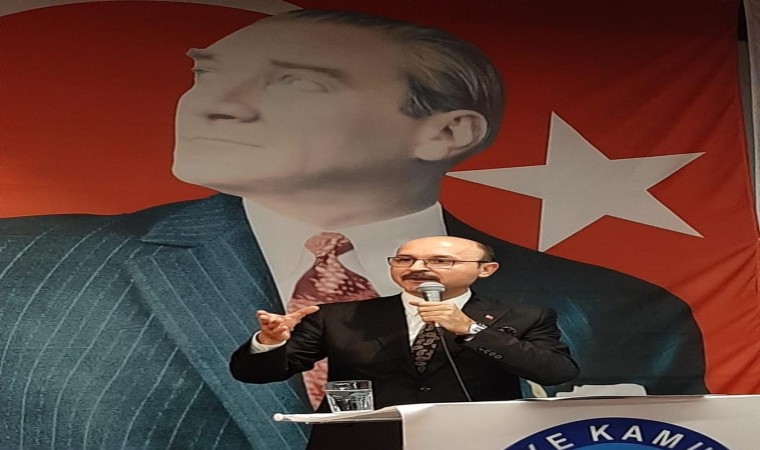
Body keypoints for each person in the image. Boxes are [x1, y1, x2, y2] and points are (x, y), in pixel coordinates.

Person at [0, 8, 706, 450]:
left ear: (446, 131)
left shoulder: (616, 310)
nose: (215, 105)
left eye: (295, 81)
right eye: (205, 74)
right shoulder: (22, 264)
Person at [229, 236, 580, 449]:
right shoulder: (338, 315)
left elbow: (555, 372)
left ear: (485, 270)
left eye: (440, 260)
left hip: (474, 441)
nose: (417, 267)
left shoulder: (523, 316)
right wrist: (269, 342)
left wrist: (471, 330)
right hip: (361, 442)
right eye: (405, 259)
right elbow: (256, 374)